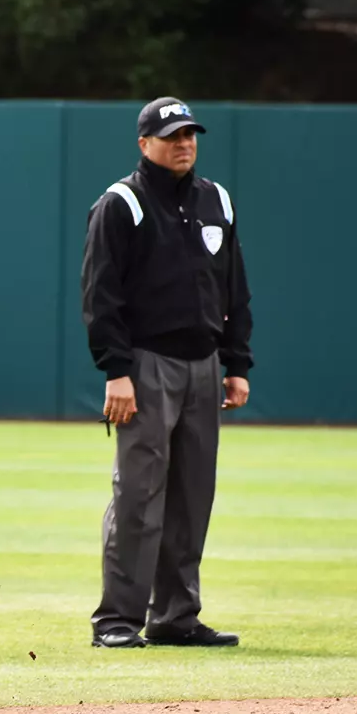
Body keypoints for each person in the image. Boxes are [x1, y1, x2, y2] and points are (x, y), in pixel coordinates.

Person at [79, 96, 253, 650]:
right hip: (147, 364)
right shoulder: (122, 203)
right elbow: (100, 296)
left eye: (190, 135)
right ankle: (117, 620)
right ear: (144, 143)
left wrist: (236, 361)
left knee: (191, 495)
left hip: (204, 364)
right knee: (139, 495)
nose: (184, 144)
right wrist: (117, 371)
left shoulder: (215, 199)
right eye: (172, 135)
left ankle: (177, 615)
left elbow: (234, 289)